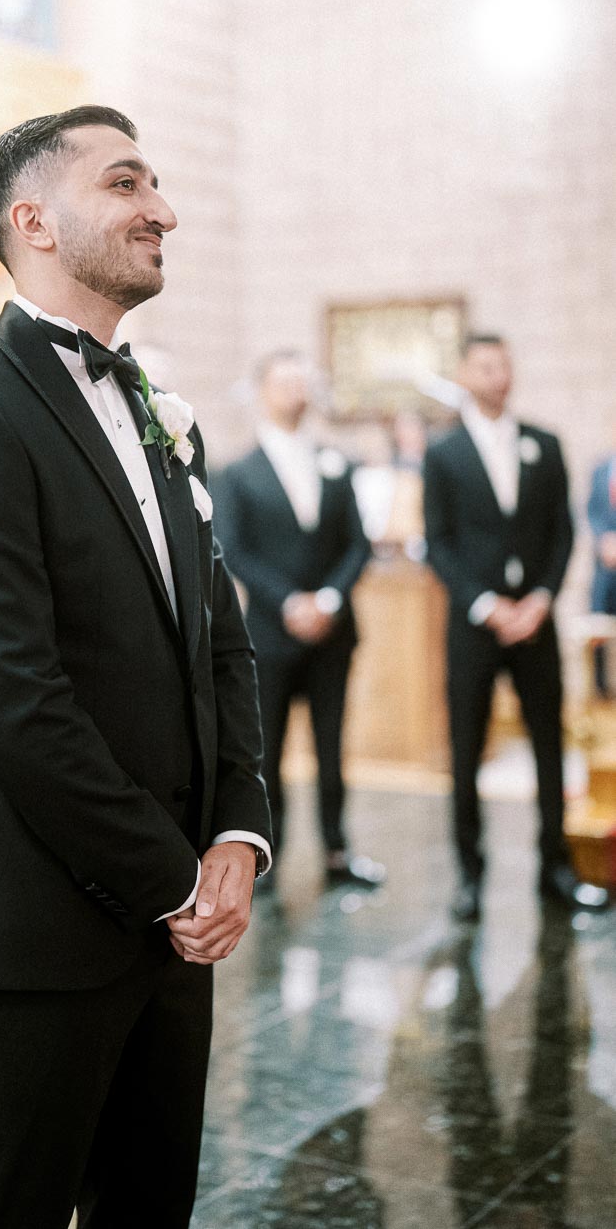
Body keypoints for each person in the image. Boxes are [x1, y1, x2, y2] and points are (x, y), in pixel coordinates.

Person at [0, 106, 272, 1229]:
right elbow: (12, 700)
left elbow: (221, 638)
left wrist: (239, 835)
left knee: (151, 1206)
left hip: (178, 914)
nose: (164, 210)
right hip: (34, 920)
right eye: (127, 184)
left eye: (154, 185)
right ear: (34, 220)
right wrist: (173, 878)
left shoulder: (162, 415)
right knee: (11, 1207)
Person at [423, 332, 609, 921]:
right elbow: (439, 542)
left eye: (504, 365)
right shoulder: (444, 453)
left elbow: (563, 532)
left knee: (550, 744)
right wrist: (486, 605)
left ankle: (555, 866)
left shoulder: (544, 444)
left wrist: (541, 600)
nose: (497, 376)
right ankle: (470, 876)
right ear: (464, 373)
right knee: (467, 744)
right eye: (485, 366)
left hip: (535, 621)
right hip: (475, 625)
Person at [214, 351, 383, 890]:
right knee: (268, 750)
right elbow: (233, 549)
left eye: (301, 381)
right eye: (283, 381)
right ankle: (270, 854)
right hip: (271, 629)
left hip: (333, 630)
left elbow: (358, 542)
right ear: (261, 391)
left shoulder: (337, 461)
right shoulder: (238, 472)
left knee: (333, 748)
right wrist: (289, 601)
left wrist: (330, 599)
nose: (294, 390)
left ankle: (337, 850)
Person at [588, 426, 616, 696]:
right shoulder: (600, 469)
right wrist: (604, 541)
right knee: (598, 623)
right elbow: (592, 511)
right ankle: (600, 687)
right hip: (605, 564)